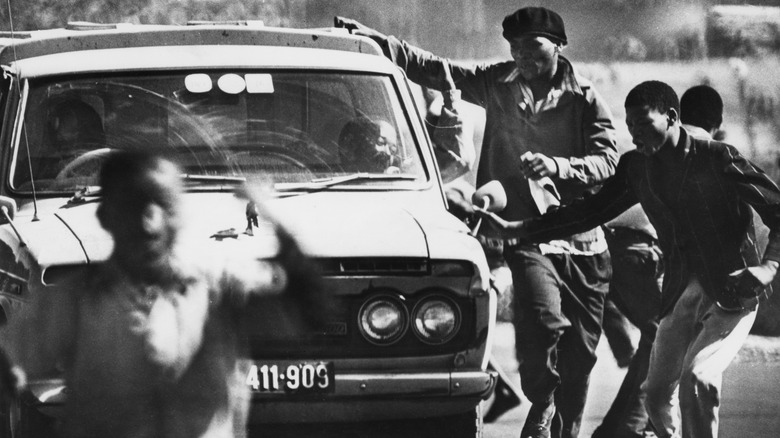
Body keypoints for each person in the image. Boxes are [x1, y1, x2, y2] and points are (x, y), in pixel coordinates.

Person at [336, 7, 619, 437]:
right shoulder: (496, 82)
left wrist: (559, 168)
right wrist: (378, 41)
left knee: (580, 361)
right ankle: (542, 399)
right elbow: (435, 69)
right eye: (515, 47)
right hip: (525, 235)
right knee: (543, 327)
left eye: (533, 46)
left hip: (582, 241)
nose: (522, 55)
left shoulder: (585, 97)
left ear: (558, 46)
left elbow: (608, 161)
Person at [477, 80, 780, 438]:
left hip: (734, 287)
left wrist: (768, 266)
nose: (635, 133)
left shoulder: (718, 158)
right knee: (654, 396)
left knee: (698, 379)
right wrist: (517, 230)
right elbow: (588, 212)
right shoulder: (637, 167)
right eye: (630, 125)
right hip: (680, 288)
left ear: (671, 118)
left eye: (644, 124)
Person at [9, 150, 326, 438]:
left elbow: (309, 310)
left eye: (164, 205)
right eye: (132, 206)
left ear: (182, 214)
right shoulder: (75, 299)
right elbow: (9, 362)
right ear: (106, 217)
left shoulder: (220, 284)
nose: (150, 224)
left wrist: (276, 221)